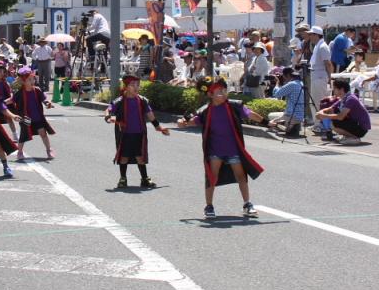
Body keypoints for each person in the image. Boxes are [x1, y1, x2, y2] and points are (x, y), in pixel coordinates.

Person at [177, 76, 266, 219]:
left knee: (241, 176)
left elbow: (250, 114)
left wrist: (266, 122)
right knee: (212, 177)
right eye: (219, 91)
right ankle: (209, 206)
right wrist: (183, 123)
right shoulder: (205, 110)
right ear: (210, 94)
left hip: (233, 149)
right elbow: (193, 121)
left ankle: (247, 204)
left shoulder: (234, 105)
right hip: (215, 150)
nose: (223, 93)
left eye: (225, 90)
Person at [104, 74, 170, 188]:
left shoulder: (142, 100)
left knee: (140, 156)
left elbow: (151, 116)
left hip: (139, 133)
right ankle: (123, 179)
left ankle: (144, 179)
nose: (136, 87)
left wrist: (160, 128)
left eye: (137, 85)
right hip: (124, 133)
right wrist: (108, 116)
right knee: (124, 156)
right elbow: (109, 109)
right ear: (126, 86)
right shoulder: (120, 101)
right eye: (132, 85)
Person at [10, 67, 56, 161]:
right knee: (23, 136)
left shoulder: (37, 90)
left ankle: (49, 150)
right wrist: (0, 103)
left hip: (37, 117)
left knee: (43, 133)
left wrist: (48, 104)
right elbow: (11, 100)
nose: (32, 81)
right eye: (29, 79)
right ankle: (20, 152)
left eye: (33, 79)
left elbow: (44, 100)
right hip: (26, 118)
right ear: (23, 81)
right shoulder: (19, 93)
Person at [315, 78, 371, 145]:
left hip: (361, 129)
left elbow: (340, 117)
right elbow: (330, 109)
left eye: (335, 88)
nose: (333, 90)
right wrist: (320, 112)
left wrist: (323, 116)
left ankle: (354, 138)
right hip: (354, 124)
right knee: (330, 116)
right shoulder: (343, 98)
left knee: (333, 122)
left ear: (341, 89)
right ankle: (347, 136)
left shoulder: (351, 99)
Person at [307, 26, 332, 128]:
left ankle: (321, 124)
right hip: (316, 76)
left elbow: (328, 64)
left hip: (320, 77)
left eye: (311, 34)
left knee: (318, 102)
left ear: (317, 35)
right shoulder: (318, 46)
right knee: (314, 101)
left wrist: (329, 78)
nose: (310, 36)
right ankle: (317, 123)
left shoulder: (322, 47)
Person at [270, 66, 305, 136]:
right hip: (300, 116)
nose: (283, 78)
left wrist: (277, 83)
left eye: (283, 76)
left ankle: (285, 126)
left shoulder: (291, 84)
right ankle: (287, 125)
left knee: (270, 118)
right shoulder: (300, 83)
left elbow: (276, 94)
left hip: (292, 115)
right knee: (278, 115)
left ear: (288, 75)